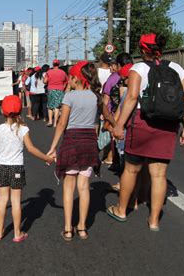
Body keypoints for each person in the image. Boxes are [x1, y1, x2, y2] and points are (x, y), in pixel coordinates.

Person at [108, 34, 184, 231]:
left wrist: (119, 125)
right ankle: (154, 221)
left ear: (143, 49)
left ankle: (121, 210)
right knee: (159, 175)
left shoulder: (139, 68)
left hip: (142, 122)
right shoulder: (177, 69)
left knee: (131, 169)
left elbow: (132, 98)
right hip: (168, 126)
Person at [47, 61, 115, 241]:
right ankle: (83, 227)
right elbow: (108, 116)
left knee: (69, 187)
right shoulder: (96, 96)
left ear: (77, 79)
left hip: (72, 141)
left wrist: (53, 148)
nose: (68, 79)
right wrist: (117, 127)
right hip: (89, 144)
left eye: (70, 76)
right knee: (84, 187)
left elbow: (62, 123)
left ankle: (68, 229)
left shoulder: (69, 97)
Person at [0, 95, 54, 242]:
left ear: (2, 111)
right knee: (16, 201)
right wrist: (47, 158)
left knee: (3, 200)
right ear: (19, 112)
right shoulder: (23, 129)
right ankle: (17, 233)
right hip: (16, 167)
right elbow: (31, 148)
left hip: (2, 167)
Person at [101, 53, 133, 166]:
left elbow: (118, 101)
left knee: (118, 141)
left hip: (117, 113)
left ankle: (117, 163)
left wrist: (106, 114)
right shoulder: (136, 74)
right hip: (133, 115)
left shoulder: (116, 77)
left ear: (118, 65)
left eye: (112, 65)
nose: (111, 67)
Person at [44, 59, 68, 127]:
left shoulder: (49, 72)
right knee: (57, 106)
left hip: (51, 90)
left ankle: (50, 121)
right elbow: (66, 81)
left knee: (50, 107)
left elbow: (45, 81)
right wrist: (63, 86)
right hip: (60, 90)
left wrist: (46, 80)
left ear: (52, 64)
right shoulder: (63, 72)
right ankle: (55, 123)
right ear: (59, 64)